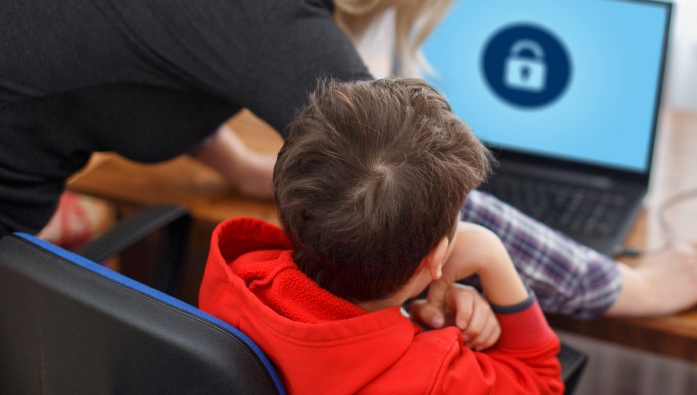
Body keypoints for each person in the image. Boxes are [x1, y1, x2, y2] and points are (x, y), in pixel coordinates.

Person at [0, 0, 697, 391]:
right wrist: (633, 287)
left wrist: (236, 162)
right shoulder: (273, 10)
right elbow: (443, 201)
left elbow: (140, 41)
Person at [200, 77, 563, 394]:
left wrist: (414, 320)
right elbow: (541, 381)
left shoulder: (237, 274)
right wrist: (490, 254)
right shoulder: (430, 377)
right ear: (436, 259)